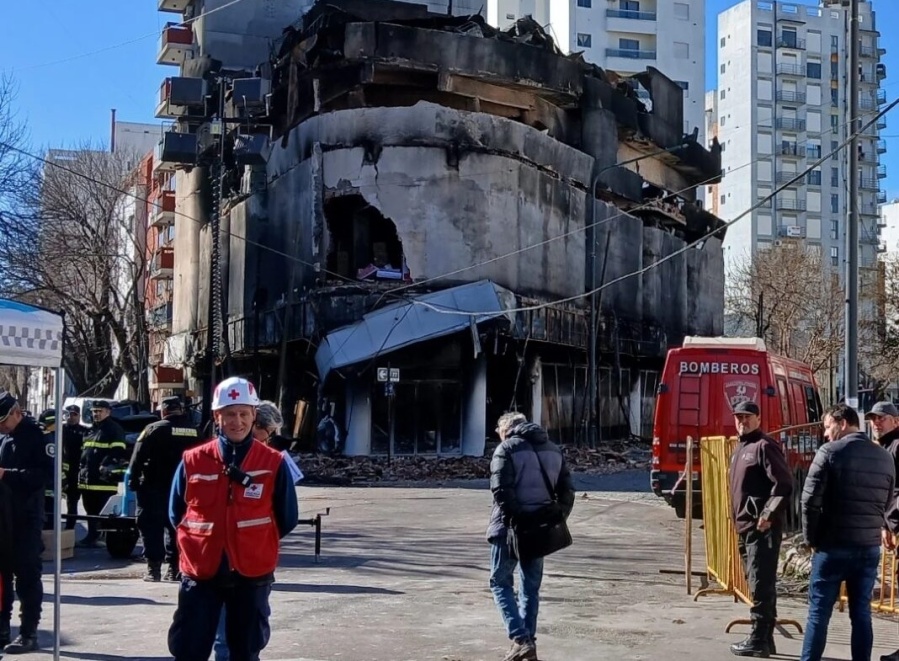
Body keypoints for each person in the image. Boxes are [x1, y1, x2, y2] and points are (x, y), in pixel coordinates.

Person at [168, 377, 299, 661]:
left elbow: (287, 517)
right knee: (189, 649)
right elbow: (175, 513)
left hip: (251, 574)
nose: (236, 421)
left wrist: (253, 541)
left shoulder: (273, 463)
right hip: (202, 573)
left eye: (243, 413)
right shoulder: (193, 460)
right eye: (229, 413)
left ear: (254, 415)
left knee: (245, 651)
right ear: (217, 416)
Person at [800, 403, 895, 661]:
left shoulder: (829, 453)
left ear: (842, 423)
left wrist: (812, 540)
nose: (826, 434)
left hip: (832, 546)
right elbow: (887, 501)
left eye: (828, 427)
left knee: (819, 613)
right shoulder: (884, 457)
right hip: (867, 548)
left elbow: (809, 502)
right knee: (862, 614)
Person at [487, 412, 575, 661]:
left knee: (500, 582)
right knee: (530, 588)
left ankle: (520, 638)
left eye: (499, 432)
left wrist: (516, 519)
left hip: (509, 529)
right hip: (541, 529)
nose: (499, 436)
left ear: (507, 429)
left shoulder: (506, 449)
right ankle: (528, 645)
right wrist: (556, 517)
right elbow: (567, 491)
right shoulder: (554, 449)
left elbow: (501, 491)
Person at [726, 400, 793, 657]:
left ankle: (758, 638)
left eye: (747, 417)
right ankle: (765, 638)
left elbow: (783, 483)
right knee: (757, 583)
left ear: (758, 418)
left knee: (761, 584)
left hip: (761, 529)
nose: (742, 421)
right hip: (745, 527)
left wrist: (767, 515)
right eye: (739, 417)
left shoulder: (764, 446)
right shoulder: (741, 447)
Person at [0, 392, 52, 654]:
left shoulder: (36, 435)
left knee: (27, 575)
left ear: (16, 413)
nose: (1, 427)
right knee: (2, 576)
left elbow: (44, 475)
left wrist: (6, 475)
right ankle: (1, 628)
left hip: (27, 516)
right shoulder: (3, 436)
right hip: (3, 516)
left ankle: (28, 632)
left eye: (3, 422)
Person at [128, 396, 199, 583]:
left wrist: (133, 480)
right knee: (177, 526)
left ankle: (153, 569)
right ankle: (174, 567)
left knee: (150, 526)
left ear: (164, 411)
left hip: (153, 486)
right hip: (184, 488)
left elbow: (137, 456)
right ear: (181, 410)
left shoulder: (153, 429)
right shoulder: (195, 431)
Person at [77, 401, 128, 547]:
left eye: (99, 411)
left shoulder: (114, 429)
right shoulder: (90, 430)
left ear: (108, 412)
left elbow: (118, 452)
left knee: (104, 511)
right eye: (94, 411)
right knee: (90, 510)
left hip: (103, 481)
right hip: (88, 479)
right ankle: (92, 535)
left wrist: (105, 466)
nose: (96, 414)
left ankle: (106, 537)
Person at [62, 405, 85, 530]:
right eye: (69, 414)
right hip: (61, 470)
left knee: (72, 501)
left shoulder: (84, 431)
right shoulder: (61, 429)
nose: (71, 417)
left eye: (74, 414)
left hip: (76, 470)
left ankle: (69, 528)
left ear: (79, 416)